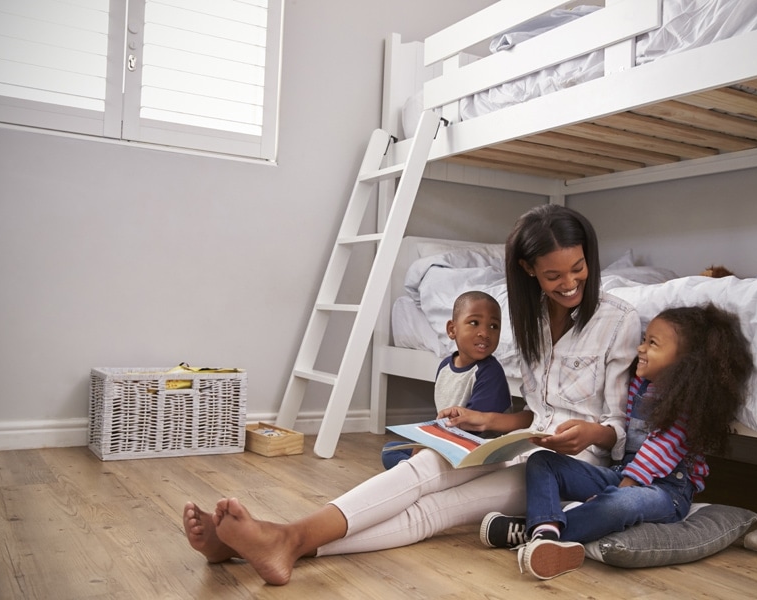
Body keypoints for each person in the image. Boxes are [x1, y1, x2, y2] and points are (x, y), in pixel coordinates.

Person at [182, 204, 640, 585]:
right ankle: (272, 542)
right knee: (424, 465)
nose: (568, 284)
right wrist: (487, 423)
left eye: (578, 269)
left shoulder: (619, 320)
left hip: (567, 466)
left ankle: (283, 541)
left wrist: (591, 434)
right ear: (528, 270)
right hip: (523, 442)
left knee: (436, 509)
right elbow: (537, 412)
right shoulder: (530, 317)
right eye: (552, 275)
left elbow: (617, 430)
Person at [480, 303, 754, 580]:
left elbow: (656, 451)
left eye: (652, 344)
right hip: (623, 475)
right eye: (644, 339)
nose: (641, 348)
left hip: (667, 493)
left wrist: (617, 491)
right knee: (542, 461)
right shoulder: (640, 385)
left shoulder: (687, 404)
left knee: (619, 505)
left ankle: (537, 532)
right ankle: (545, 532)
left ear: (683, 361)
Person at [381, 289, 512, 469]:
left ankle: (417, 473)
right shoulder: (445, 366)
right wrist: (424, 444)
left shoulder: (490, 372)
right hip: (450, 442)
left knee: (415, 458)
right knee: (390, 450)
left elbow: (469, 428)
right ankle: (418, 472)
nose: (485, 333)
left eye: (493, 326)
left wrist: (429, 445)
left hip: (475, 452)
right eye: (474, 323)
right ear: (452, 329)